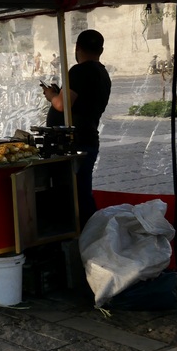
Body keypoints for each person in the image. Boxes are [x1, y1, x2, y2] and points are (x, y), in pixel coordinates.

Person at [42, 29, 112, 228]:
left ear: (77, 48)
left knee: (76, 194)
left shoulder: (79, 71)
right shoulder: (102, 72)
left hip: (73, 142)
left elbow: (62, 105)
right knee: (81, 191)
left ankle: (83, 237)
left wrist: (50, 95)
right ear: (101, 49)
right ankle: (87, 235)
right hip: (87, 138)